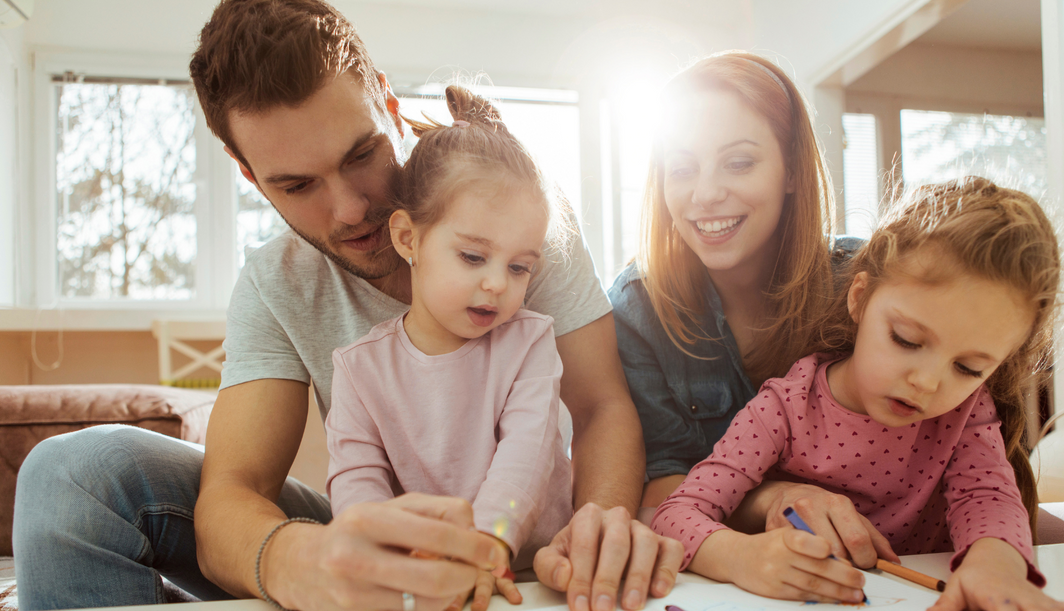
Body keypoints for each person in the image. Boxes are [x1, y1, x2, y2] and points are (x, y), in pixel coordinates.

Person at [12, 2, 684, 610]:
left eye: (361, 153)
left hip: (532, 530)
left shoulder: (512, 219)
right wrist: (297, 558)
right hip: (376, 535)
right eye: (298, 184)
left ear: (387, 103)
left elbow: (601, 406)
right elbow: (231, 494)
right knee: (68, 476)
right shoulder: (276, 284)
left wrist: (596, 526)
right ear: (247, 173)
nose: (351, 208)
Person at [654, 177, 1064, 611]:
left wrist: (995, 568)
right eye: (906, 339)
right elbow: (675, 516)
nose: (927, 382)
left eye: (968, 368)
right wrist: (740, 557)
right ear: (859, 298)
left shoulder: (969, 412)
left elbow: (987, 497)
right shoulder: (784, 408)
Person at [609, 50, 896, 578]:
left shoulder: (861, 283)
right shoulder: (638, 309)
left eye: (739, 162)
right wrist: (775, 498)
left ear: (791, 169)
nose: (705, 194)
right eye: (682, 167)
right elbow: (663, 481)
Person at [326, 85, 573, 611]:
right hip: (426, 579)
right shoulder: (359, 369)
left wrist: (484, 546)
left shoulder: (529, 341)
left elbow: (524, 459)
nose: (496, 285)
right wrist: (386, 554)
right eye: (472, 257)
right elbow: (356, 480)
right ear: (408, 239)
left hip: (533, 575)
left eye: (518, 267)